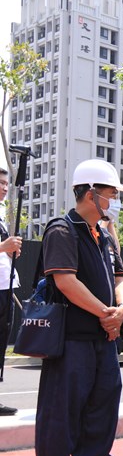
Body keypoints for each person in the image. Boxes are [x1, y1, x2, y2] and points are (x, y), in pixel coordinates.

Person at [35, 159, 123, 456]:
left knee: (105, 398)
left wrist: (122, 308)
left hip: (105, 336)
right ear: (92, 194)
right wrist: (107, 313)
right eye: (111, 193)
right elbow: (65, 282)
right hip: (71, 337)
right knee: (63, 405)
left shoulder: (103, 234)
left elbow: (120, 278)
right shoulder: (63, 229)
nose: (115, 199)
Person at [0, 166, 22, 416]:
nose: (5, 188)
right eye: (1, 183)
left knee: (1, 343)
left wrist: (11, 250)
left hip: (6, 287)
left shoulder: (1, 216)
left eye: (7, 184)